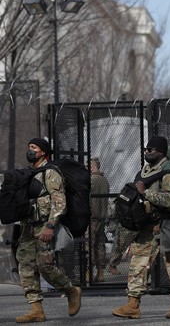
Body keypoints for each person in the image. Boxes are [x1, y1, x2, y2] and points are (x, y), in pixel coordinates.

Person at [112, 136, 170, 319]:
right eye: (146, 149)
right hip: (147, 227)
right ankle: (133, 304)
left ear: (161, 152)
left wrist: (145, 193)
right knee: (137, 264)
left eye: (151, 150)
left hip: (166, 225)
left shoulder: (169, 172)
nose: (147, 153)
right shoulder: (145, 171)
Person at [15, 138, 82, 323]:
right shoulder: (29, 173)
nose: (30, 150)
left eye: (34, 147)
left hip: (44, 226)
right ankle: (36, 309)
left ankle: (70, 290)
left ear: (43, 152)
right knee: (26, 267)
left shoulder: (51, 172)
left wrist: (51, 226)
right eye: (29, 147)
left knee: (45, 265)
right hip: (28, 227)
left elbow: (59, 202)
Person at [89, 157, 110, 282]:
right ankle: (101, 272)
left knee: (89, 245)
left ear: (93, 167)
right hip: (102, 217)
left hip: (92, 217)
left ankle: (88, 272)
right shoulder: (104, 180)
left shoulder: (91, 180)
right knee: (100, 245)